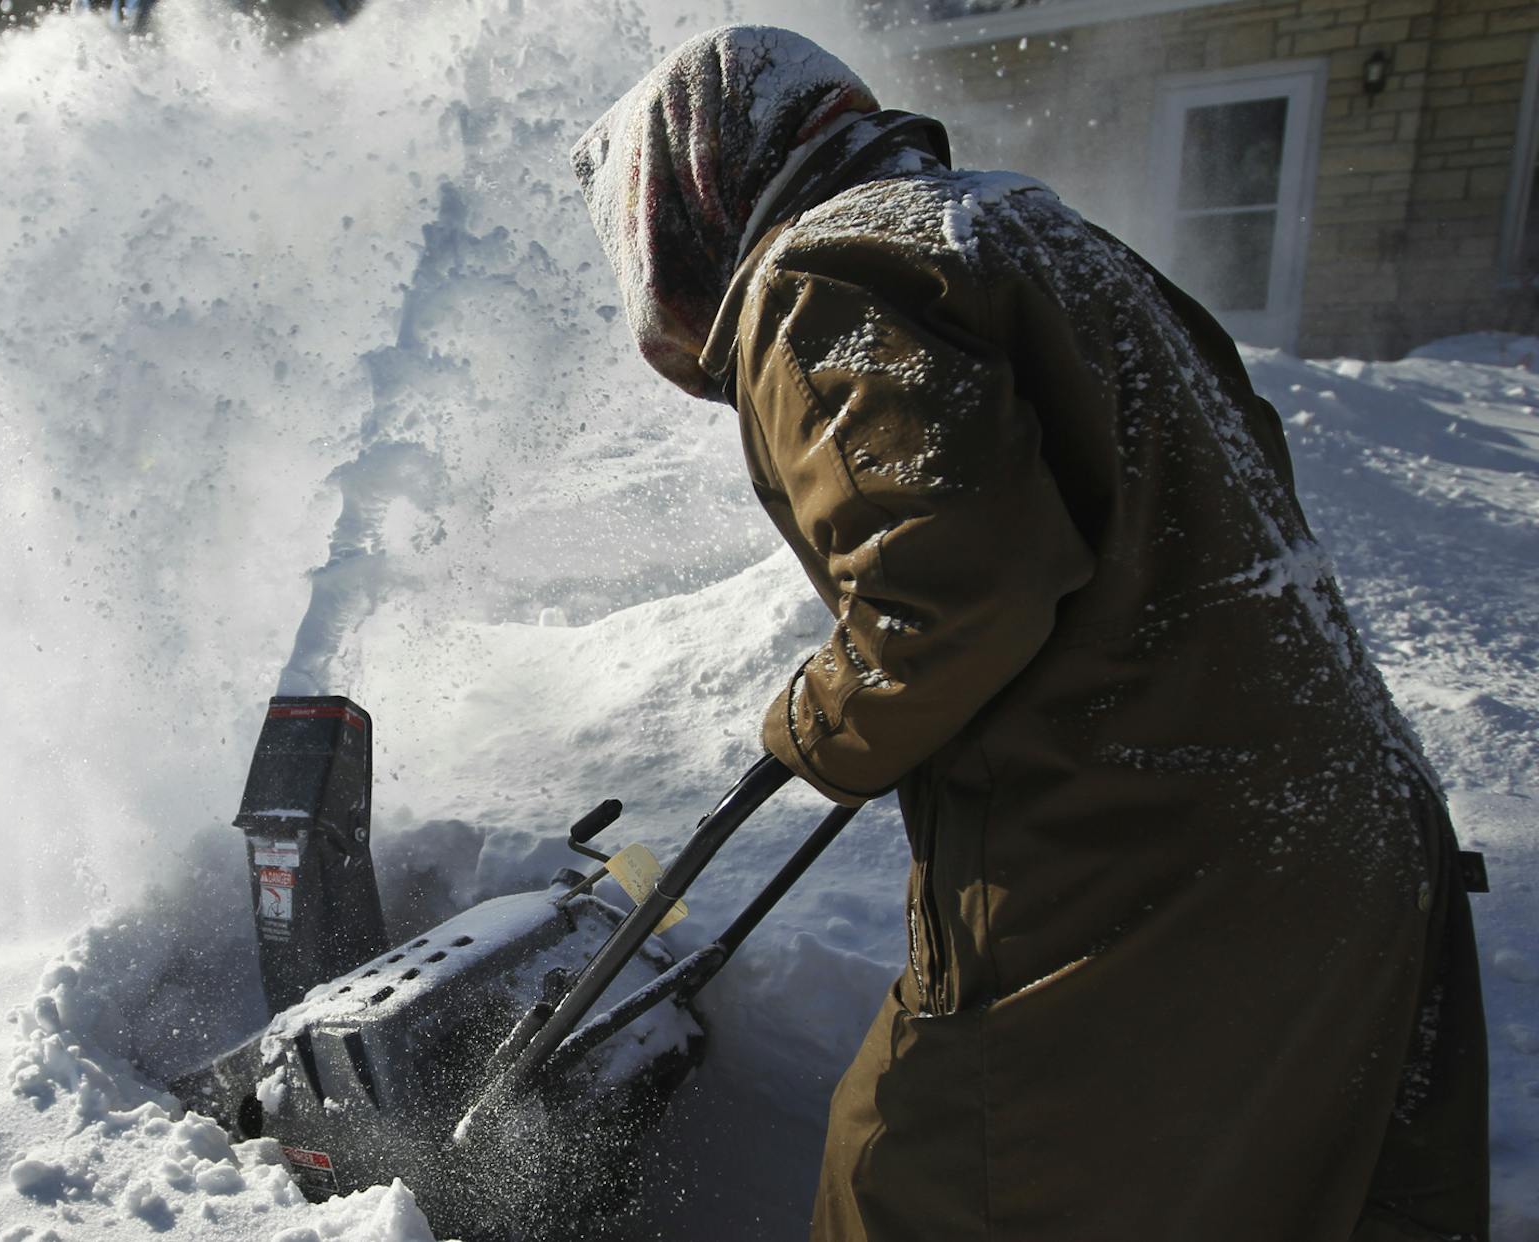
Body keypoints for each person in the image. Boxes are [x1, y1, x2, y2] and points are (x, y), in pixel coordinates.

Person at [572, 26, 1489, 1242]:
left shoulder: (824, 272)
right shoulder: (1029, 229)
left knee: (908, 1183)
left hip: (1146, 862)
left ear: (693, 191)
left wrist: (811, 725)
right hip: (1345, 829)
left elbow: (947, 594)